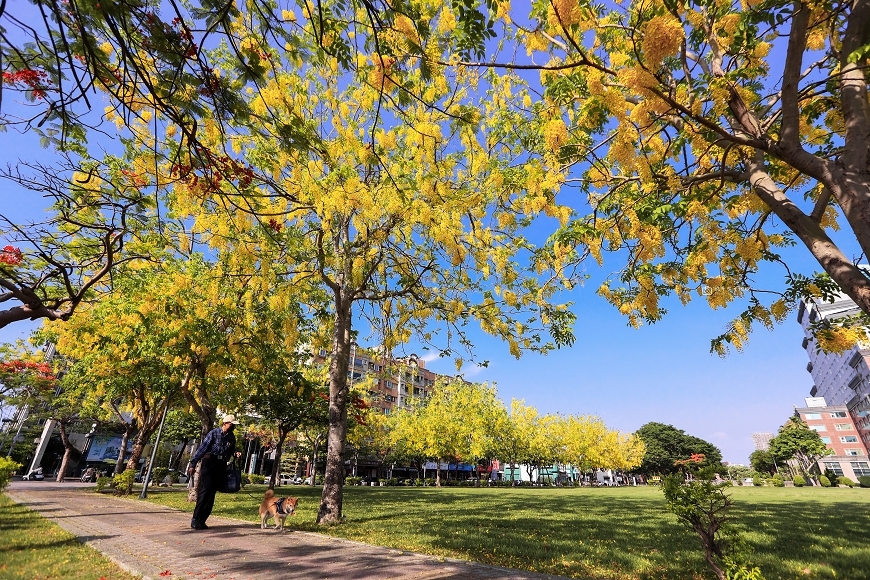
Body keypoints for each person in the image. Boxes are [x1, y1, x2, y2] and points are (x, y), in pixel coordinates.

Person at [187, 415, 241, 530]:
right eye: (232, 425)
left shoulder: (231, 437)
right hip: (209, 463)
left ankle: (202, 520)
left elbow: (232, 450)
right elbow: (202, 448)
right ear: (226, 423)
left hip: (221, 465)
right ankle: (195, 519)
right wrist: (193, 463)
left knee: (212, 494)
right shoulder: (214, 433)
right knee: (205, 491)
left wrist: (236, 453)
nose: (233, 427)